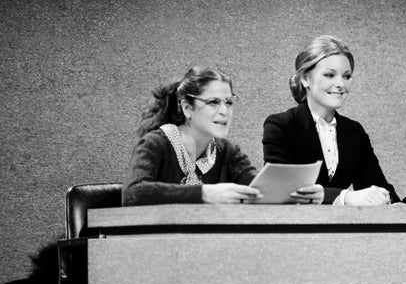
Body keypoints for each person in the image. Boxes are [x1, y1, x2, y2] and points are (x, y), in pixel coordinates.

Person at [123, 67, 323, 205]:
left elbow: (258, 189)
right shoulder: (156, 143)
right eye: (213, 102)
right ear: (187, 108)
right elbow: (133, 193)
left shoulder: (226, 151)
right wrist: (204, 194)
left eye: (228, 102)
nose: (224, 111)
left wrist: (299, 195)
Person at [263, 35, 400, 205]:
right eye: (329, 75)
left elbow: (377, 186)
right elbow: (281, 189)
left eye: (347, 76)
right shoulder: (281, 126)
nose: (341, 84)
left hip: (340, 229)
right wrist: (346, 197)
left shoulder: (354, 132)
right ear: (305, 79)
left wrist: (387, 199)